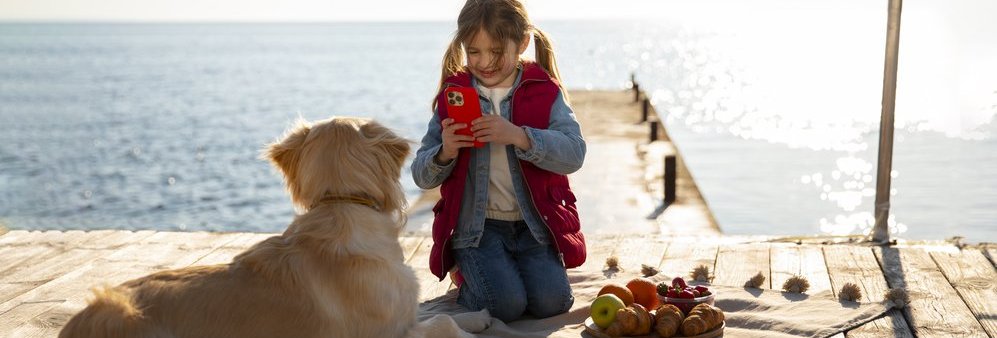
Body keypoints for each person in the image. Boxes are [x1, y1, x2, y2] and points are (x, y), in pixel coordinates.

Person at [411, 0, 587, 323]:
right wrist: (445, 151)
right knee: (506, 305)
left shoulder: (545, 91)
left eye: (496, 51)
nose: (484, 62)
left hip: (533, 227)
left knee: (553, 302)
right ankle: (464, 274)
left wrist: (521, 136)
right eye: (474, 52)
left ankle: (512, 271)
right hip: (479, 230)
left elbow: (575, 152)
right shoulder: (454, 95)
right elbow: (421, 175)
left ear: (521, 43)